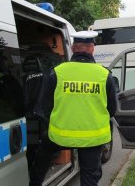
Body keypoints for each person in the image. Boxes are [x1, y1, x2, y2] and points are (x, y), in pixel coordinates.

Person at [29, 31, 117, 186]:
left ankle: (35, 182)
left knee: (40, 163)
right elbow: (112, 110)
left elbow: (43, 108)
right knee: (90, 178)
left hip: (59, 135)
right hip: (93, 139)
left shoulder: (56, 73)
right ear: (92, 49)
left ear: (73, 48)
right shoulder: (105, 75)